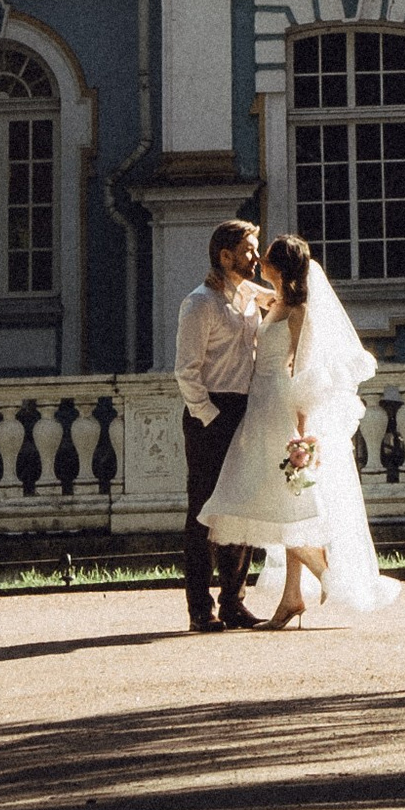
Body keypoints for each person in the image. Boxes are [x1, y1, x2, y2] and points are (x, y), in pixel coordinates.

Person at [198, 230, 402, 624]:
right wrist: (220, 280)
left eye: (266, 256)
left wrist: (302, 429)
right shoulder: (275, 300)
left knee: (279, 497)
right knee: (282, 499)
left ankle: (326, 573)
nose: (259, 260)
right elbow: (246, 290)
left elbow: (305, 371)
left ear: (280, 266)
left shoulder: (299, 311)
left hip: (280, 403)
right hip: (260, 402)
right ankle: (292, 596)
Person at [174, 217, 267, 632]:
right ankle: (200, 608)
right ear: (225, 256)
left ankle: (233, 601)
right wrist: (210, 418)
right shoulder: (200, 303)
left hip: (246, 411)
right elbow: (186, 371)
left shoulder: (249, 297)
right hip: (210, 414)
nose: (256, 257)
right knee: (204, 513)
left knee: (241, 507)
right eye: (249, 250)